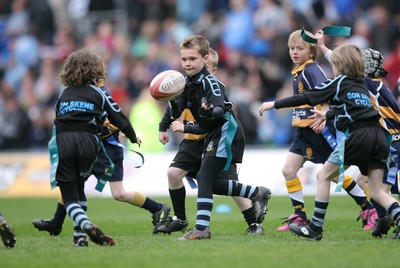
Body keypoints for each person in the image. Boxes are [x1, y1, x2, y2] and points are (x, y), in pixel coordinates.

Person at [259, 43, 400, 241]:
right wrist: (329, 114)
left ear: (339, 65)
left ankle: (315, 227)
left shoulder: (338, 82)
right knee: (376, 191)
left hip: (358, 136)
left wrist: (274, 104)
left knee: (323, 175)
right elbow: (359, 110)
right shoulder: (362, 84)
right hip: (379, 137)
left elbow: (307, 97)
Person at [32, 81, 171, 247]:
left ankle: (156, 208)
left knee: (118, 193)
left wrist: (116, 128)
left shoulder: (100, 92)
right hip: (91, 145)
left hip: (108, 148)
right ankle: (59, 224)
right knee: (73, 183)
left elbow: (114, 117)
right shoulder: (83, 91)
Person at [168, 35, 271, 240]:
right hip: (204, 136)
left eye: (192, 59)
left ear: (207, 63)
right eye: (184, 60)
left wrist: (196, 120)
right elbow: (179, 108)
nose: (187, 63)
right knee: (204, 181)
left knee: (213, 179)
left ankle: (206, 227)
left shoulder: (211, 83)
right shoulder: (189, 84)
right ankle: (256, 193)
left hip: (222, 133)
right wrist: (168, 117)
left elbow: (218, 113)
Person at [274, 29, 376, 232]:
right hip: (303, 132)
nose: (294, 52)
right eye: (292, 48)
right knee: (288, 170)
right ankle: (300, 215)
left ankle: (368, 209)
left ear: (311, 51)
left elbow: (327, 97)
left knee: (335, 174)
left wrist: (323, 117)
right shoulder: (299, 70)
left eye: (300, 48)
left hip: (318, 131)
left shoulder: (312, 70)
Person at [47, 48, 143, 246]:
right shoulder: (98, 93)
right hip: (90, 143)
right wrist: (133, 137)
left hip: (65, 140)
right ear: (96, 70)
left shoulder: (64, 94)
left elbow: (57, 119)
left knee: (70, 192)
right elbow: (119, 117)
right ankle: (79, 238)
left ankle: (85, 225)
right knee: (80, 184)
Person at [315, 30, 400, 237]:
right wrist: (322, 46)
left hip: (393, 141)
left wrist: (324, 49)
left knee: (382, 190)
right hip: (389, 139)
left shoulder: (367, 84)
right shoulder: (377, 85)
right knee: (365, 182)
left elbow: (343, 67)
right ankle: (385, 218)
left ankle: (391, 220)